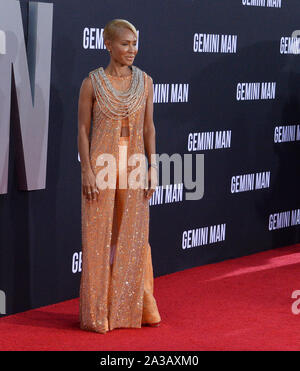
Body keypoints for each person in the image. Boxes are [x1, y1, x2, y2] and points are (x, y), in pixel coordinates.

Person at [77, 19, 161, 333]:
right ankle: (100, 313)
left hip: (134, 165)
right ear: (108, 45)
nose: (131, 50)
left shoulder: (146, 82)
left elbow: (149, 128)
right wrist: (86, 168)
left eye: (135, 43)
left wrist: (154, 166)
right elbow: (83, 131)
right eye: (125, 44)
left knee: (133, 239)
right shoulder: (92, 83)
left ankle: (135, 308)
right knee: (100, 239)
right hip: (100, 166)